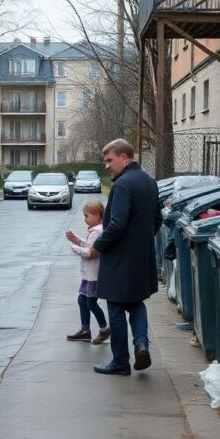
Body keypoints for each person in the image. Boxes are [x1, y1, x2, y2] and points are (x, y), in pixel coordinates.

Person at [91, 139, 161, 376]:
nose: (107, 166)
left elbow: (117, 223)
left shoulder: (123, 185)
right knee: (136, 302)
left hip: (120, 259)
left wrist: (98, 245)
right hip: (142, 257)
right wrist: (141, 240)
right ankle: (141, 344)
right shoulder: (149, 182)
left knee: (116, 306)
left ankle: (120, 360)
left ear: (125, 157)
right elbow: (157, 220)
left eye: (110, 160)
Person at [64, 199, 110, 344]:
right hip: (90, 275)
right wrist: (76, 240)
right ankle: (85, 330)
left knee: (91, 302)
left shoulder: (98, 232)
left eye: (86, 216)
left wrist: (74, 248)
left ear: (97, 215)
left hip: (94, 275)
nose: (84, 219)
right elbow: (89, 245)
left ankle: (104, 329)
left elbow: (90, 252)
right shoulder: (95, 231)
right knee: (82, 300)